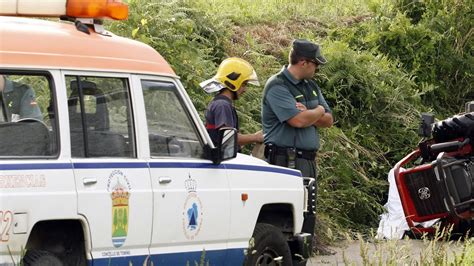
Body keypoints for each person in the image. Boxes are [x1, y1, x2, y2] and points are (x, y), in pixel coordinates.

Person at [261, 39, 334, 254]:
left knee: (306, 215)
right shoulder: (277, 85)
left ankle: (301, 258)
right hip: (285, 160)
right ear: (303, 62)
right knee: (285, 218)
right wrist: (318, 111)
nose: (317, 68)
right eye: (316, 64)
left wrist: (312, 112)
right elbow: (298, 121)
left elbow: (329, 120)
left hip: (307, 161)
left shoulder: (311, 86)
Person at [200, 57, 263, 148]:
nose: (245, 90)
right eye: (244, 84)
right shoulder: (222, 105)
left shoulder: (220, 103)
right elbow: (228, 138)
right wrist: (255, 137)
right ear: (233, 83)